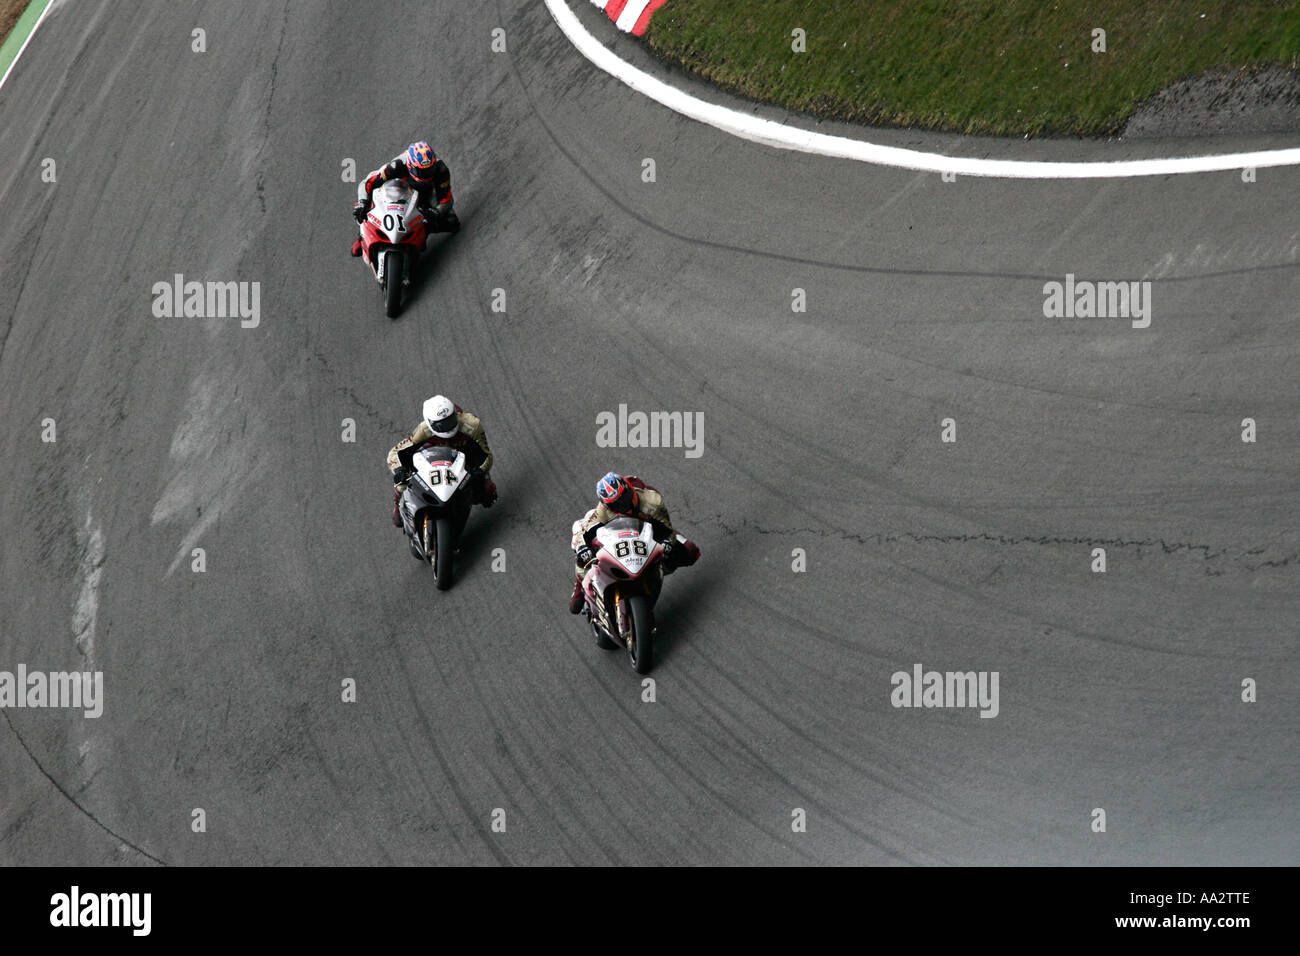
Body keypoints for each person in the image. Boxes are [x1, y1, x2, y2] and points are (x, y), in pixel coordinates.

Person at [568, 472, 699, 613]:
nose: (623, 505)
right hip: (616, 534)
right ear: (607, 505)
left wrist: (667, 542)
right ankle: (579, 586)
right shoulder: (602, 511)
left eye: (624, 498)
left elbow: (667, 529)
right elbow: (581, 533)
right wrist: (582, 548)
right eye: (616, 505)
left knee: (690, 552)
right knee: (582, 556)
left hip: (648, 530)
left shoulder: (653, 501)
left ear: (629, 488)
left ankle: (654, 573)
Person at [387, 395, 495, 527]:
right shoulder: (423, 431)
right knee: (401, 482)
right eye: (441, 424)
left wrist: (479, 471)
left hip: (464, 460)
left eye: (450, 420)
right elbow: (395, 453)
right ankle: (397, 504)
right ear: (430, 423)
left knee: (488, 493)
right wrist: (399, 470)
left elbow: (486, 455)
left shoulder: (472, 425)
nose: (447, 427)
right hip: (433, 459)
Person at [351, 141, 459, 257]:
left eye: (430, 170)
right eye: (422, 171)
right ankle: (362, 237)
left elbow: (446, 199)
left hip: (424, 197)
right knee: (364, 207)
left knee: (452, 222)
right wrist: (362, 202)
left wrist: (436, 212)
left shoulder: (441, 170)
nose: (427, 174)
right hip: (395, 193)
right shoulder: (396, 166)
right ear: (411, 166)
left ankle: (420, 238)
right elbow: (367, 182)